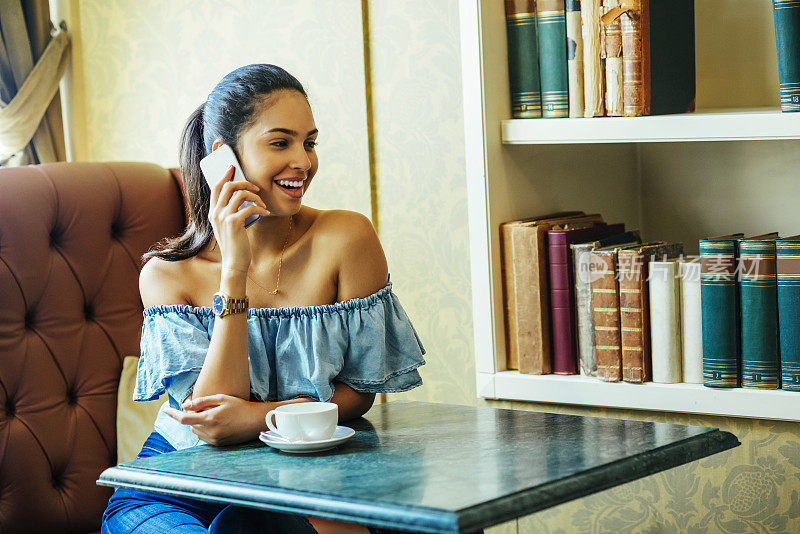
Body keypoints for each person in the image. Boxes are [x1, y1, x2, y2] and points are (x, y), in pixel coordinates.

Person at [101, 64, 426, 534]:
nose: (304, 162)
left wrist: (256, 418)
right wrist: (234, 271)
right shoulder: (167, 276)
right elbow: (209, 419)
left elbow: (360, 392)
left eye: (309, 142)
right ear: (222, 160)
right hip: (179, 485)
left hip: (306, 476)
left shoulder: (346, 237)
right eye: (281, 143)